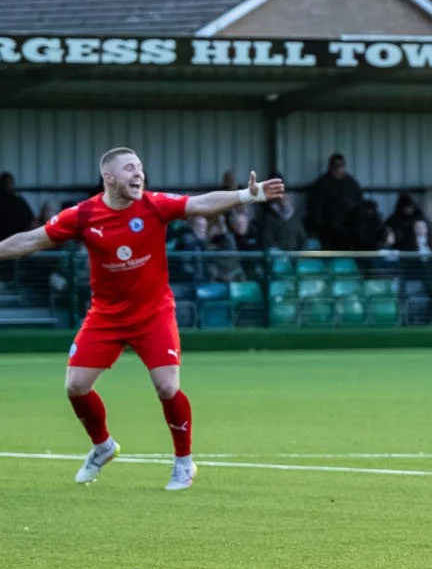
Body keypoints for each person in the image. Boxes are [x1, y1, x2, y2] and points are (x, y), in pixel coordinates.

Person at [0, 149, 282, 490]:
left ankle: (183, 463)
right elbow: (31, 240)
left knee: (167, 386)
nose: (139, 174)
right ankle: (103, 447)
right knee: (75, 386)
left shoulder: (154, 205)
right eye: (130, 168)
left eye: (141, 168)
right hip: (105, 316)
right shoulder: (84, 214)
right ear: (109, 177)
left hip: (153, 313)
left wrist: (246, 195)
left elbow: (200, 204)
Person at [305, 154, 365, 249]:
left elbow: (360, 202)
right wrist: (321, 225)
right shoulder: (322, 184)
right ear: (330, 166)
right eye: (336, 166)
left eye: (341, 165)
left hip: (350, 226)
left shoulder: (351, 183)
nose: (339, 169)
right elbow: (315, 207)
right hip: (328, 228)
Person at [0, 172, 34, 240]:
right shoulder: (20, 202)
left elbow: (31, 221)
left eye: (9, 183)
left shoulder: (19, 202)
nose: (8, 185)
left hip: (17, 241)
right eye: (6, 183)